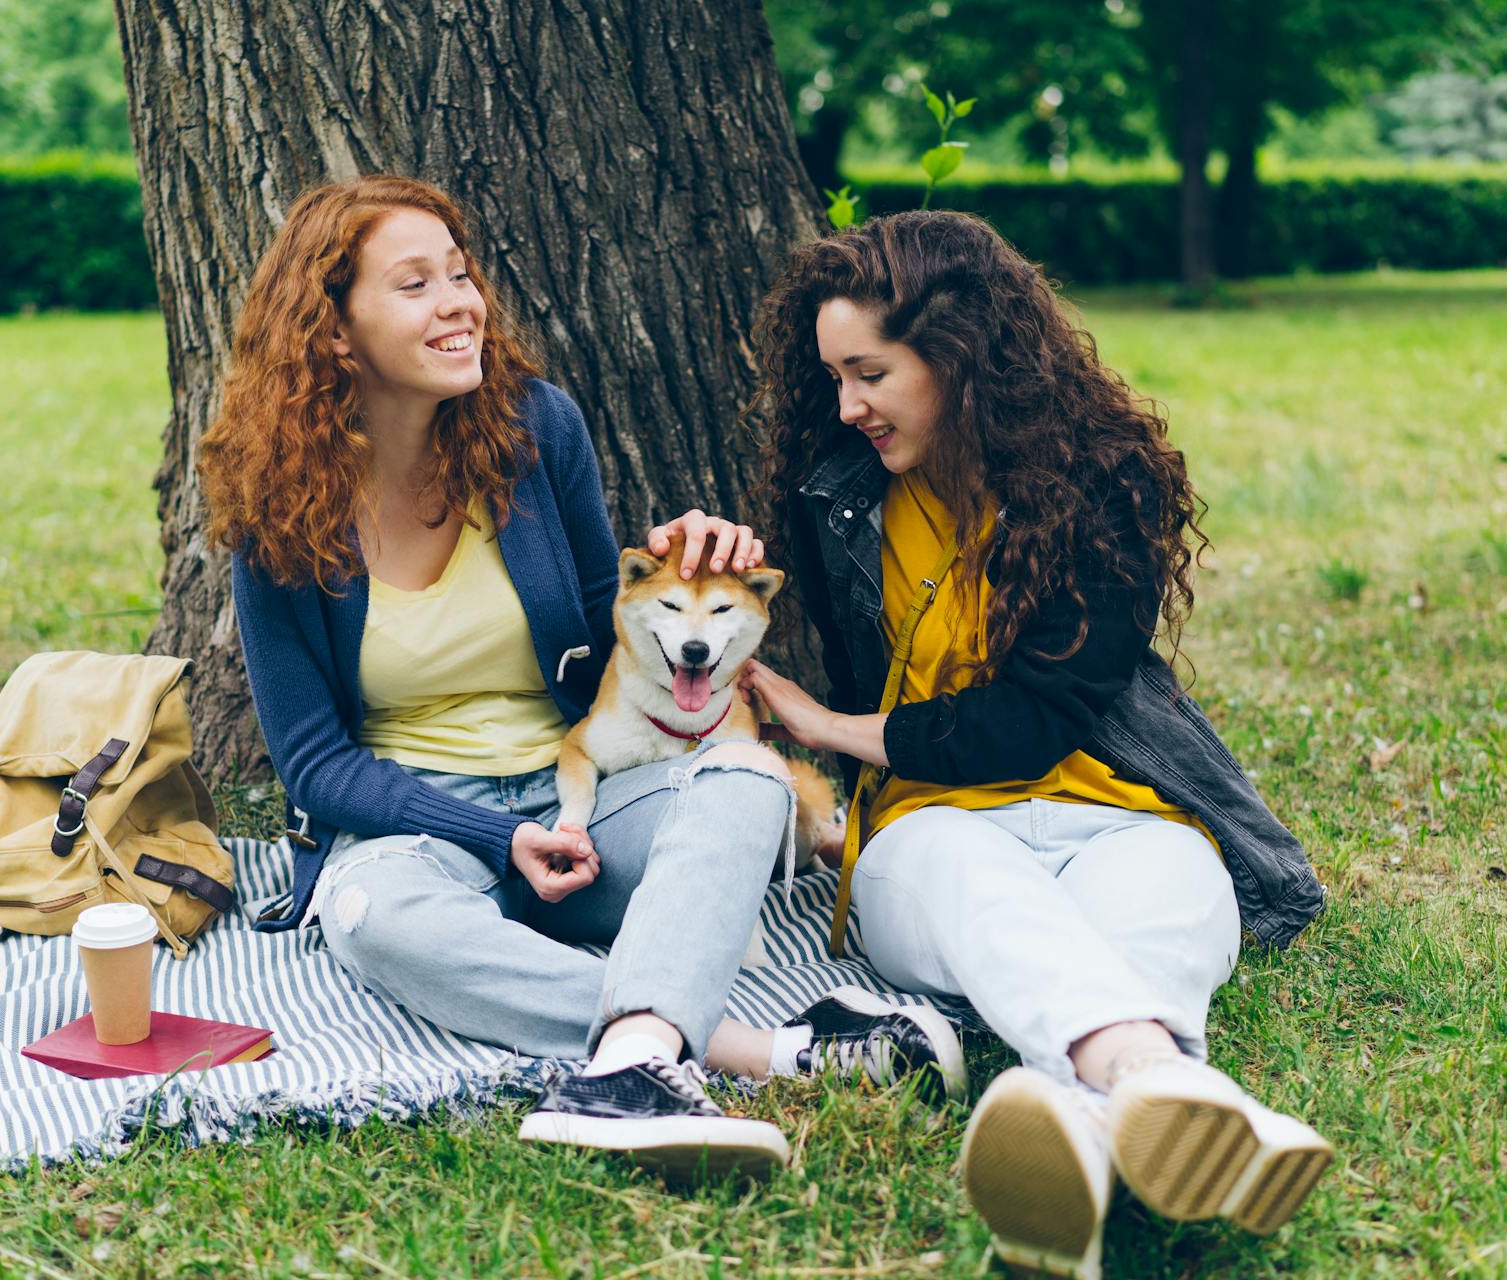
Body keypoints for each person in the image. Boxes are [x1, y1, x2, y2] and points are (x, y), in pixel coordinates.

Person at [196, 176, 963, 1177]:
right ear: (335, 332)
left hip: (589, 803)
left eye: (460, 275)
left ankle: (637, 1062)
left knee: (747, 781)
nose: (460, 303)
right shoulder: (277, 509)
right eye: (415, 284)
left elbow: (608, 631)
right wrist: (498, 835)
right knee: (365, 915)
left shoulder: (533, 430)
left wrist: (681, 572)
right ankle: (757, 1049)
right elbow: (313, 766)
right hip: (422, 831)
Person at [739, 210, 1332, 1270]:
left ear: (957, 354)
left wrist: (834, 728)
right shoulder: (837, 492)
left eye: (869, 372)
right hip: (930, 829)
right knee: (976, 876)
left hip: (1121, 810)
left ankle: (1088, 1135)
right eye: (833, 377)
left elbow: (1032, 720)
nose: (846, 405)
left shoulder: (1103, 479)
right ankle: (1173, 1089)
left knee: (1163, 892)